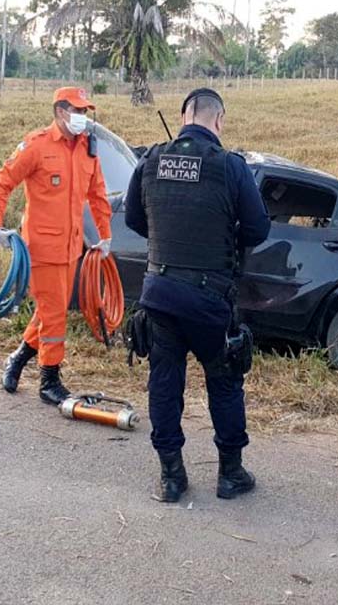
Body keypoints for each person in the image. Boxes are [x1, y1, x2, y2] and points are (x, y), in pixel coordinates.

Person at [124, 88, 270, 503]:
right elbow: (259, 230)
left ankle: (172, 477)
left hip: (161, 295)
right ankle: (230, 474)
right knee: (224, 383)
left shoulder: (150, 159)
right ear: (218, 120)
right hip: (210, 299)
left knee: (165, 384)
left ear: (184, 115)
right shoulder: (230, 167)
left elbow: (135, 218)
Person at [0, 87, 113, 405]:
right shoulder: (37, 145)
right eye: (78, 111)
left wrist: (105, 234)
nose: (83, 118)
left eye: (86, 112)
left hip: (72, 249)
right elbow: (2, 181)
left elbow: (97, 194)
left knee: (48, 311)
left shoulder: (87, 149)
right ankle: (49, 379)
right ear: (60, 111)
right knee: (54, 314)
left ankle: (17, 358)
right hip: (41, 248)